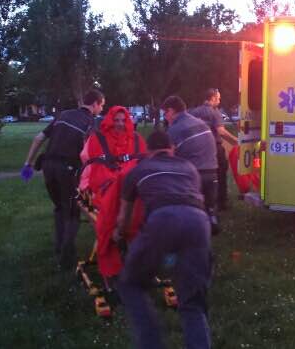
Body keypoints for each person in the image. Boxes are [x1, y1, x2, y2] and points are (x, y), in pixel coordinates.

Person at [115, 130, 212, 349]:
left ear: (148, 151)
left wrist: (119, 233)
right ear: (172, 149)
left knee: (130, 283)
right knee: (193, 303)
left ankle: (151, 342)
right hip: (199, 222)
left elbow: (123, 219)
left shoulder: (138, 170)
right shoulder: (189, 168)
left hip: (162, 220)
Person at [21, 89, 105, 270]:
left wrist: (28, 164)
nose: (101, 109)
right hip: (67, 169)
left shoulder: (63, 115)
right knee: (72, 212)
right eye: (102, 105)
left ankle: (59, 249)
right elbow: (88, 154)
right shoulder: (91, 123)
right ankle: (66, 259)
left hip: (48, 167)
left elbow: (38, 138)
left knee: (59, 207)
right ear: (95, 104)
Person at [78, 106, 147, 284]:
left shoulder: (136, 139)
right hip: (107, 183)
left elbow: (144, 162)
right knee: (113, 203)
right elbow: (90, 165)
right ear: (109, 121)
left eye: (123, 120)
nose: (120, 124)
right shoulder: (97, 139)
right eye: (116, 120)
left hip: (131, 182)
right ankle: (115, 259)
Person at [161, 95, 220, 234]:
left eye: (165, 113)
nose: (165, 117)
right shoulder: (201, 123)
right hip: (213, 172)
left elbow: (168, 157)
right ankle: (211, 217)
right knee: (208, 205)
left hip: (194, 176)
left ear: (171, 111)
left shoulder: (174, 129)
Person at [189, 88, 238, 211]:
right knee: (221, 173)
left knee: (202, 174)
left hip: (198, 148)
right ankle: (222, 203)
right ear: (213, 98)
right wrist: (236, 141)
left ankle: (201, 201)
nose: (220, 101)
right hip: (215, 148)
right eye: (218, 98)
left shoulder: (194, 112)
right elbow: (221, 131)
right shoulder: (214, 112)